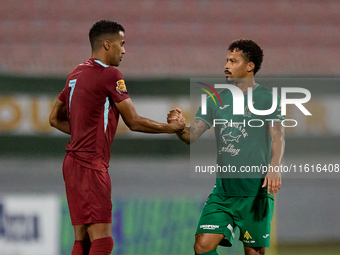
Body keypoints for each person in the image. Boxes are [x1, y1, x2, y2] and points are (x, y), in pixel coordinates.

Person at [49, 20, 185, 255]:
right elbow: (133, 121)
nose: (124, 50)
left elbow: (54, 118)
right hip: (91, 165)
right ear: (107, 44)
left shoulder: (75, 73)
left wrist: (85, 132)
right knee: (103, 241)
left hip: (72, 164)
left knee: (83, 240)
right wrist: (171, 128)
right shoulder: (110, 74)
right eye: (121, 44)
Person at [168, 39, 285, 255]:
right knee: (202, 246)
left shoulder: (267, 98)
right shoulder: (215, 100)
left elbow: (278, 137)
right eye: (226, 60)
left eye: (233, 61)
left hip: (255, 192)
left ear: (250, 66)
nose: (226, 66)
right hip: (223, 192)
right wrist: (178, 128)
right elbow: (191, 135)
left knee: (253, 252)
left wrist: (275, 167)